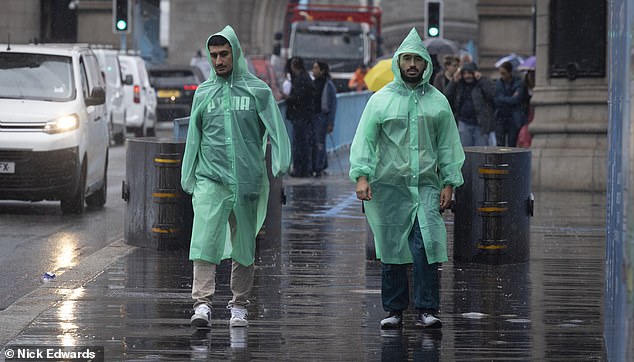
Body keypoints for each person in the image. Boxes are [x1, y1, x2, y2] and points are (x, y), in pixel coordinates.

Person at [349, 28, 465, 330]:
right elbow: (365, 141)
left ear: (426, 64)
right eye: (407, 59)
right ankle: (395, 309)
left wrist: (449, 181)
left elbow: (448, 146)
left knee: (425, 246)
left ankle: (427, 307)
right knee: (391, 248)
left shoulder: (438, 102)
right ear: (398, 63)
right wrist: (361, 176)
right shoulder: (380, 101)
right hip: (389, 188)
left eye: (417, 59)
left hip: (426, 186)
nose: (412, 64)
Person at [181, 25, 291, 329]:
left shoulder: (257, 91)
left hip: (246, 181)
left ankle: (239, 304)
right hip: (210, 180)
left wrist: (281, 160)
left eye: (223, 54)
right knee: (203, 241)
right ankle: (201, 303)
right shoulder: (204, 92)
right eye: (213, 55)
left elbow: (276, 129)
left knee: (243, 246)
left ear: (235, 53)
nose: (218, 61)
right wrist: (188, 175)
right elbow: (194, 136)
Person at [444, 62, 496, 147]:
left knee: (480, 152)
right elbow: (446, 96)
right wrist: (453, 81)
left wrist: (481, 79)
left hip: (480, 124)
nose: (467, 76)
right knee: (466, 151)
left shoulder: (482, 82)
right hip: (464, 123)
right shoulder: (459, 84)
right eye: (464, 73)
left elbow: (492, 94)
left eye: (469, 73)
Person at [284, 56, 315, 177]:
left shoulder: (300, 80)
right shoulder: (306, 78)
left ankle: (299, 170)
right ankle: (305, 169)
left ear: (293, 66)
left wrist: (287, 98)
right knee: (305, 143)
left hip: (300, 116)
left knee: (299, 144)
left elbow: (297, 98)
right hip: (305, 116)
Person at [311, 60, 337, 177]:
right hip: (314, 117)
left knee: (319, 143)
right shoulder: (314, 83)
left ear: (322, 70)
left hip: (322, 117)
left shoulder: (328, 85)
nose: (314, 70)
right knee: (318, 142)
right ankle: (321, 164)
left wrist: (331, 123)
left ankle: (318, 167)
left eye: (316, 68)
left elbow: (333, 105)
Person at [494, 61, 526, 147]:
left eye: (504, 73)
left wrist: (503, 98)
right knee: (500, 143)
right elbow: (497, 100)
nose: (502, 76)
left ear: (510, 72)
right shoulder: (498, 83)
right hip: (501, 116)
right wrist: (510, 98)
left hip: (513, 117)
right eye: (501, 73)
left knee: (512, 143)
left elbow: (516, 99)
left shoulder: (518, 82)